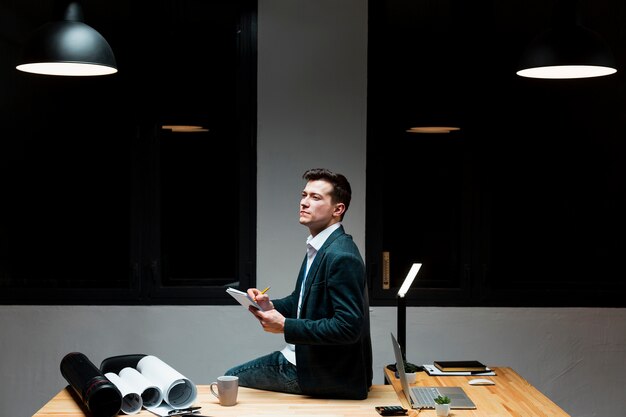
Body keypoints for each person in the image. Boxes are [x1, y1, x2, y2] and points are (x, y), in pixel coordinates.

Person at [225, 168, 372, 399]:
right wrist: (268, 304)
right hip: (303, 359)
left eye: (315, 197)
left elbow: (348, 327)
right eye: (304, 195)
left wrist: (285, 325)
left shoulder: (341, 255)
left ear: (338, 209)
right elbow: (301, 301)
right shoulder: (319, 245)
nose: (304, 203)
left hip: (320, 373)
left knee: (230, 380)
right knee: (231, 383)